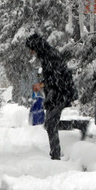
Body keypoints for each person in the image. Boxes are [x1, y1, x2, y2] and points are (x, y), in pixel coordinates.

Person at [25, 32, 76, 160]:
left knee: (50, 123)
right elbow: (52, 76)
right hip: (58, 91)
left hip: (60, 92)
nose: (31, 52)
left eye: (32, 49)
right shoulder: (47, 55)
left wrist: (41, 85)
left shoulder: (49, 56)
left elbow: (55, 77)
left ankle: (55, 155)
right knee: (50, 123)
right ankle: (79, 125)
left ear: (36, 47)